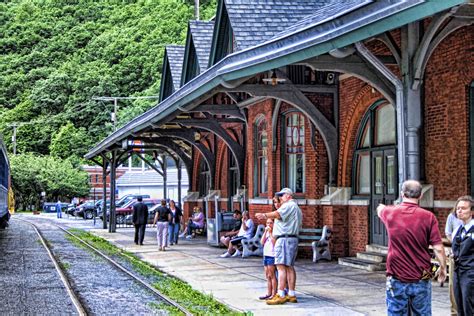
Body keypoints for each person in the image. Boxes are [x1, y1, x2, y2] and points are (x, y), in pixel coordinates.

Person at [376, 180, 447, 315]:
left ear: (402, 194)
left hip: (396, 277)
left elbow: (380, 209)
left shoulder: (390, 213)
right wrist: (443, 269)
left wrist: (383, 208)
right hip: (421, 277)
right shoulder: (429, 217)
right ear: (420, 196)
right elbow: (438, 248)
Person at [256, 187, 302, 305]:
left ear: (288, 196)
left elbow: (277, 214)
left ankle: (280, 294)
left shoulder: (288, 205)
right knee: (289, 267)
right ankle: (291, 294)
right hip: (291, 238)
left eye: (282, 195)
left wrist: (264, 215)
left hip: (284, 239)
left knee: (280, 267)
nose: (280, 198)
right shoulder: (296, 207)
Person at [451, 195, 473, 316]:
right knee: (459, 305)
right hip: (458, 272)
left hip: (471, 273)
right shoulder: (457, 230)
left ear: (472, 211)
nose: (459, 211)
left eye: (463, 208)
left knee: (469, 304)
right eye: (458, 208)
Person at [259, 218, 277, 300]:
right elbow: (262, 242)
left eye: (270, 223)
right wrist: (266, 232)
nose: (269, 225)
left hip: (272, 255)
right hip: (265, 254)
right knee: (267, 276)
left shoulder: (275, 232)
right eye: (267, 223)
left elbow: (274, 243)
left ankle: (274, 293)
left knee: (272, 275)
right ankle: (268, 293)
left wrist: (270, 232)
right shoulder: (266, 232)